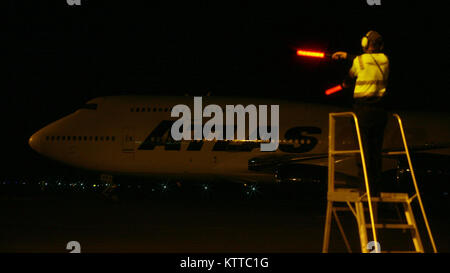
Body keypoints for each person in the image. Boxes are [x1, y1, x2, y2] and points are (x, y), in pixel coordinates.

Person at [332, 30, 389, 196]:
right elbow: (365, 60)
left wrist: (343, 84)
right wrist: (347, 56)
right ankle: (375, 189)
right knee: (376, 151)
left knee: (363, 152)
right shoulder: (385, 60)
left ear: (365, 44)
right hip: (380, 112)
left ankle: (364, 188)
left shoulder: (359, 61)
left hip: (363, 111)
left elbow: (350, 78)